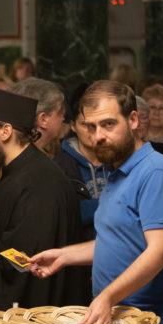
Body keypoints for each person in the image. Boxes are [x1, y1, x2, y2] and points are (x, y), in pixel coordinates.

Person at [30, 80, 163, 324]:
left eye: (108, 124)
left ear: (133, 120)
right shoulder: (117, 171)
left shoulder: (156, 171)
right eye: (91, 127)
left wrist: (107, 296)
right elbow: (120, 242)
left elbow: (160, 252)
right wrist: (64, 256)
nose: (98, 136)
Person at [0, 86, 86, 311]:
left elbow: (25, 261)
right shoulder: (18, 173)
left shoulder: (39, 183)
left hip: (40, 319)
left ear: (5, 131)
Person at [53, 104, 112, 242]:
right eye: (86, 125)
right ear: (73, 126)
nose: (93, 131)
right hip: (76, 247)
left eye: (99, 124)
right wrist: (113, 203)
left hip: (118, 247)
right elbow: (64, 216)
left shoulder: (117, 160)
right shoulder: (60, 166)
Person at [10, 78, 66, 158]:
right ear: (43, 120)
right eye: (59, 113)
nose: (63, 118)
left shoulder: (10, 153)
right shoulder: (35, 162)